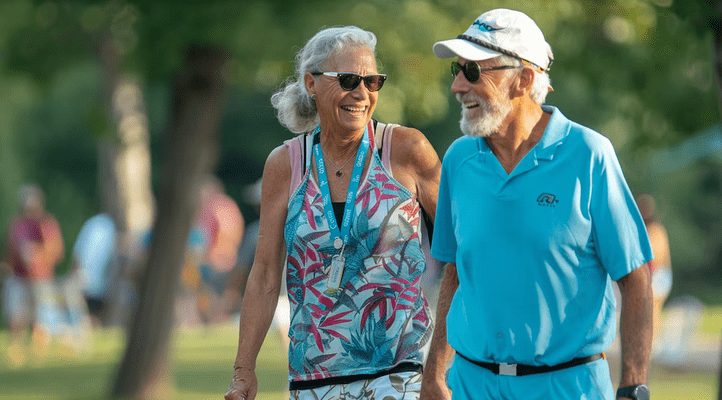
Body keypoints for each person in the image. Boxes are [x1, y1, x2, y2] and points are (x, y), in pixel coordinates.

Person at [420, 9, 654, 400]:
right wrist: (434, 375)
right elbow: (455, 273)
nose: (458, 86)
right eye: (457, 71)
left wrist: (632, 385)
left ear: (524, 79)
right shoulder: (459, 159)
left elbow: (635, 278)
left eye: (474, 72)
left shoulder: (589, 154)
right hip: (469, 385)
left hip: (567, 387)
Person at [225, 25, 442, 400]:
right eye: (347, 80)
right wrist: (243, 371)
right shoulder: (286, 165)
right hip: (312, 378)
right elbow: (263, 275)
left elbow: (460, 255)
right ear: (311, 83)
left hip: (402, 372)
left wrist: (440, 365)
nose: (361, 93)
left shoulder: (406, 150)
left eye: (372, 81)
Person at [1, 184, 65, 365]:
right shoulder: (17, 224)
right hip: (19, 277)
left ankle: (39, 355)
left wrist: (38, 254)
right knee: (16, 315)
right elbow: (10, 250)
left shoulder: (47, 223)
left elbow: (56, 251)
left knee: (41, 316)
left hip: (40, 278)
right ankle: (16, 351)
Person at [635, 194, 672, 344]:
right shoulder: (645, 229)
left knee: (652, 310)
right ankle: (647, 340)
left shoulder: (655, 230)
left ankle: (650, 342)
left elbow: (655, 258)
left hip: (657, 274)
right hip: (651, 274)